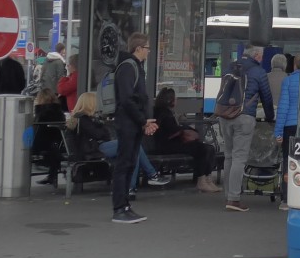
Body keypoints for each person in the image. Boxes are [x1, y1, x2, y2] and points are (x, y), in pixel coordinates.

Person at [67, 92, 170, 190]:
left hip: (96, 147)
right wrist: (102, 127)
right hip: (93, 150)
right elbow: (100, 134)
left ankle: (134, 186)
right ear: (90, 104)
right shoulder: (83, 119)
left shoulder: (84, 118)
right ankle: (149, 177)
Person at [111, 33, 158, 224]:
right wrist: (142, 120)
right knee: (124, 164)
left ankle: (125, 205)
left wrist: (145, 120)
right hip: (128, 123)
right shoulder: (128, 68)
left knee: (130, 163)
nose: (149, 51)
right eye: (147, 48)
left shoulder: (135, 67)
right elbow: (127, 99)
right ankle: (119, 208)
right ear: (138, 48)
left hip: (134, 122)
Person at [221, 45, 275, 212]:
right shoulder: (258, 72)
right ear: (257, 55)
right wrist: (270, 116)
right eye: (261, 55)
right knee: (239, 157)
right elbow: (266, 96)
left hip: (225, 115)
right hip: (244, 116)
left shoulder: (231, 67)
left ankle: (228, 194)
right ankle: (234, 199)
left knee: (229, 156)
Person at [153, 86, 220, 194]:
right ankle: (201, 180)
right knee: (202, 149)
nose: (176, 100)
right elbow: (171, 130)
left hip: (173, 143)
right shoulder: (163, 113)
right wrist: (185, 131)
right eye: (175, 98)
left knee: (209, 148)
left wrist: (189, 130)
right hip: (167, 145)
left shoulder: (166, 112)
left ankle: (208, 179)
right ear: (170, 100)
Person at [274, 55, 300, 210]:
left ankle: (286, 199)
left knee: (288, 161)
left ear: (294, 66)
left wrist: (278, 132)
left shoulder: (289, 81)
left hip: (290, 126)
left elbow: (283, 108)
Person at [33, 88, 66, 188]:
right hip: (58, 144)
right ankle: (52, 176)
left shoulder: (41, 112)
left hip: (41, 145)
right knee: (54, 149)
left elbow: (37, 131)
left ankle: (51, 176)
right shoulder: (59, 112)